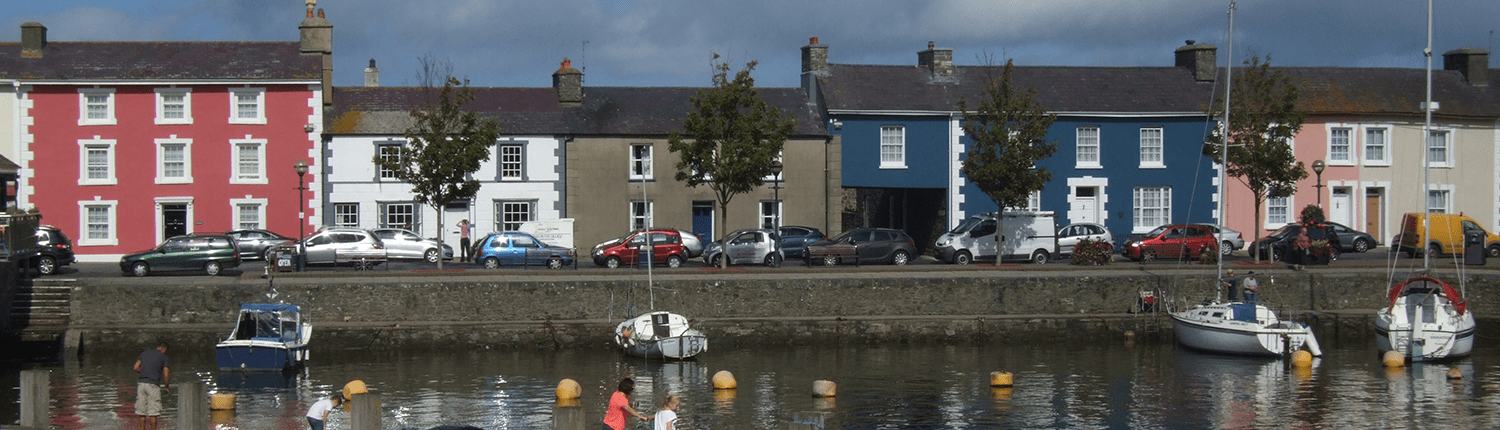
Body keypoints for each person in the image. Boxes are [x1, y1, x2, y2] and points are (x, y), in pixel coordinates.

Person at [133, 342, 170, 430]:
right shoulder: (163, 357)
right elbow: (166, 374)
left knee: (141, 411)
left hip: (141, 384)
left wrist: (143, 373)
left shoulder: (144, 353)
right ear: (164, 349)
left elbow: (135, 367)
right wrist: (166, 386)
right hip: (153, 385)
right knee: (153, 412)